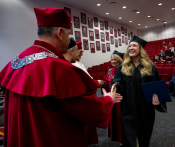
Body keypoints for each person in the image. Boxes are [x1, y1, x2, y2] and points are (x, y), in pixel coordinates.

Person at [0, 8, 123, 147]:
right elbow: (89, 110)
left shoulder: (17, 61)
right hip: (49, 138)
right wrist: (108, 99)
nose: (69, 38)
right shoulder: (59, 67)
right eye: (68, 33)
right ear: (60, 33)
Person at [110, 35, 167, 147]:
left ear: (140, 49)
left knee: (143, 138)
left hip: (145, 109)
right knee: (130, 138)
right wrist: (115, 86)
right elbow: (117, 82)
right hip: (128, 108)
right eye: (129, 46)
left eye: (134, 45)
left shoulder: (150, 68)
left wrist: (158, 102)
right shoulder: (122, 67)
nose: (131, 48)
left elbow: (157, 88)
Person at [102, 51, 124, 145]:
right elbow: (105, 83)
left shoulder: (124, 70)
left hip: (121, 99)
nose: (113, 61)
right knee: (114, 119)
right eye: (112, 59)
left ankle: (123, 140)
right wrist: (104, 92)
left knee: (121, 120)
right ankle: (117, 137)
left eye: (115, 59)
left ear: (119, 60)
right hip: (112, 99)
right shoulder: (110, 71)